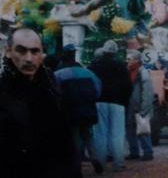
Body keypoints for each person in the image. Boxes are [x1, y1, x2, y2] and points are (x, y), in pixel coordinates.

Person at [0, 28, 79, 177]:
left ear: (42, 54)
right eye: (21, 51)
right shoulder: (4, 91)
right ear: (8, 52)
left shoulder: (51, 87)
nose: (29, 58)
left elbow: (66, 142)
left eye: (35, 51)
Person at [55, 43, 103, 174]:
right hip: (88, 110)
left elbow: (55, 94)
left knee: (74, 140)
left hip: (70, 112)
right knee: (89, 137)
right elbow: (98, 90)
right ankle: (95, 159)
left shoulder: (57, 74)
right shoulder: (87, 72)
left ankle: (77, 166)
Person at [89, 40, 132, 173]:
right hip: (118, 103)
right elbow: (128, 87)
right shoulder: (121, 66)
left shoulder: (94, 66)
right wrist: (125, 102)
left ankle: (101, 163)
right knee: (117, 134)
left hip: (99, 101)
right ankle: (118, 163)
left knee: (100, 133)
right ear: (115, 52)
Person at [125, 50, 154, 161]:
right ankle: (134, 152)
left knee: (143, 130)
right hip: (131, 106)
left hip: (140, 107)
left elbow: (147, 92)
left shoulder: (143, 73)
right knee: (130, 130)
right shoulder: (129, 72)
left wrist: (144, 109)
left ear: (136, 60)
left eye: (129, 59)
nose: (127, 61)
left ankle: (148, 152)